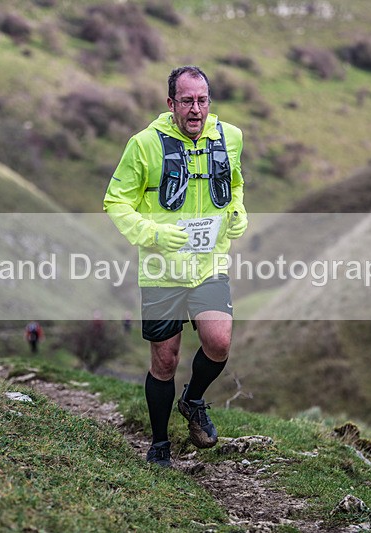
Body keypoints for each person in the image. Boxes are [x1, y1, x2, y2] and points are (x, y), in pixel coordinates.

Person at [104, 66, 248, 467]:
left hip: (208, 265)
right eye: (187, 101)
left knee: (219, 342)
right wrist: (153, 234)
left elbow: (235, 184)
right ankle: (159, 445)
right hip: (161, 270)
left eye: (202, 100)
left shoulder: (230, 137)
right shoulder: (143, 145)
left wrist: (237, 212)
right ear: (171, 104)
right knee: (164, 360)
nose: (196, 109)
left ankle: (193, 400)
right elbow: (116, 201)